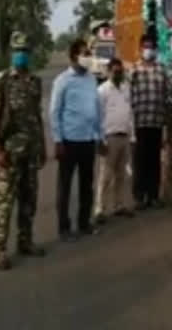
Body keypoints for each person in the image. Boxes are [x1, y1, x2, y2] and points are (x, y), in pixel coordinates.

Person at [0, 31, 46, 270]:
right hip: (9, 152)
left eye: (24, 51)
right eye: (17, 50)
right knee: (3, 203)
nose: (21, 54)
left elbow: (36, 117)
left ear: (29, 54)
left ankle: (25, 241)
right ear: (12, 52)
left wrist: (41, 146)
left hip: (30, 151)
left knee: (29, 200)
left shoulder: (35, 81)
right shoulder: (1, 80)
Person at [50, 39, 102, 241]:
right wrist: (58, 140)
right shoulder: (62, 81)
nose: (88, 57)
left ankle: (84, 222)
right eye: (84, 53)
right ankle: (64, 227)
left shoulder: (91, 79)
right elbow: (54, 112)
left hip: (88, 139)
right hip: (69, 141)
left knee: (86, 185)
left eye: (89, 53)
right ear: (73, 56)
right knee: (65, 186)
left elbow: (96, 110)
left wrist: (99, 136)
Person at [130, 34, 172, 210]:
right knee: (140, 161)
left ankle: (154, 195)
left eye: (151, 47)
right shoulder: (133, 70)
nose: (149, 50)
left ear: (155, 49)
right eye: (146, 46)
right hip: (139, 123)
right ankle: (140, 197)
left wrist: (168, 125)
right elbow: (128, 98)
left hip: (156, 123)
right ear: (140, 49)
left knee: (154, 161)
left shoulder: (161, 70)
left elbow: (167, 97)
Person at [94, 58, 135, 224]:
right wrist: (100, 139)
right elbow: (97, 117)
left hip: (124, 136)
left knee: (120, 176)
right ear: (109, 72)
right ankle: (99, 209)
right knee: (106, 176)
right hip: (109, 138)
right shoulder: (102, 91)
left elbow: (130, 112)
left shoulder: (126, 88)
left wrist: (133, 137)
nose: (118, 74)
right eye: (116, 71)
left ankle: (118, 205)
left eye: (120, 71)